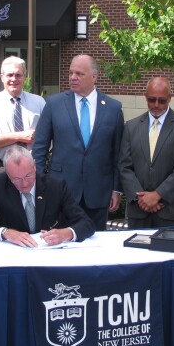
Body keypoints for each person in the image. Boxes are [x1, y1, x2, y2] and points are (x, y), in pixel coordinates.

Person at [33, 55, 124, 230]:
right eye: (71, 73)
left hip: (97, 192)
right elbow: (40, 148)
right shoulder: (54, 104)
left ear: (94, 77)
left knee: (95, 244)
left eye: (79, 74)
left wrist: (116, 189)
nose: (73, 77)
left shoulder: (113, 108)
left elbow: (118, 153)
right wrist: (39, 183)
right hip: (60, 190)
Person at [0, 146, 96, 246]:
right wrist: (6, 233)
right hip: (14, 255)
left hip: (51, 255)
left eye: (28, 176)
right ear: (8, 174)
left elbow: (87, 223)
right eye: (16, 179)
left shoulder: (55, 186)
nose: (24, 184)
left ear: (35, 166)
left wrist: (66, 233)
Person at [118, 76, 174, 228]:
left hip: (171, 212)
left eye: (162, 100)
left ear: (170, 98)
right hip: (138, 213)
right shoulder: (131, 127)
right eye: (151, 99)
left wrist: (158, 195)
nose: (156, 105)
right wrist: (141, 198)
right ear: (145, 97)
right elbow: (124, 166)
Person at [0, 56, 45, 169]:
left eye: (18, 75)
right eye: (9, 75)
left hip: (32, 168)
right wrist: (20, 136)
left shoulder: (39, 102)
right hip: (0, 169)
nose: (14, 79)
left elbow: (48, 135)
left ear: (25, 77)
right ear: (2, 77)